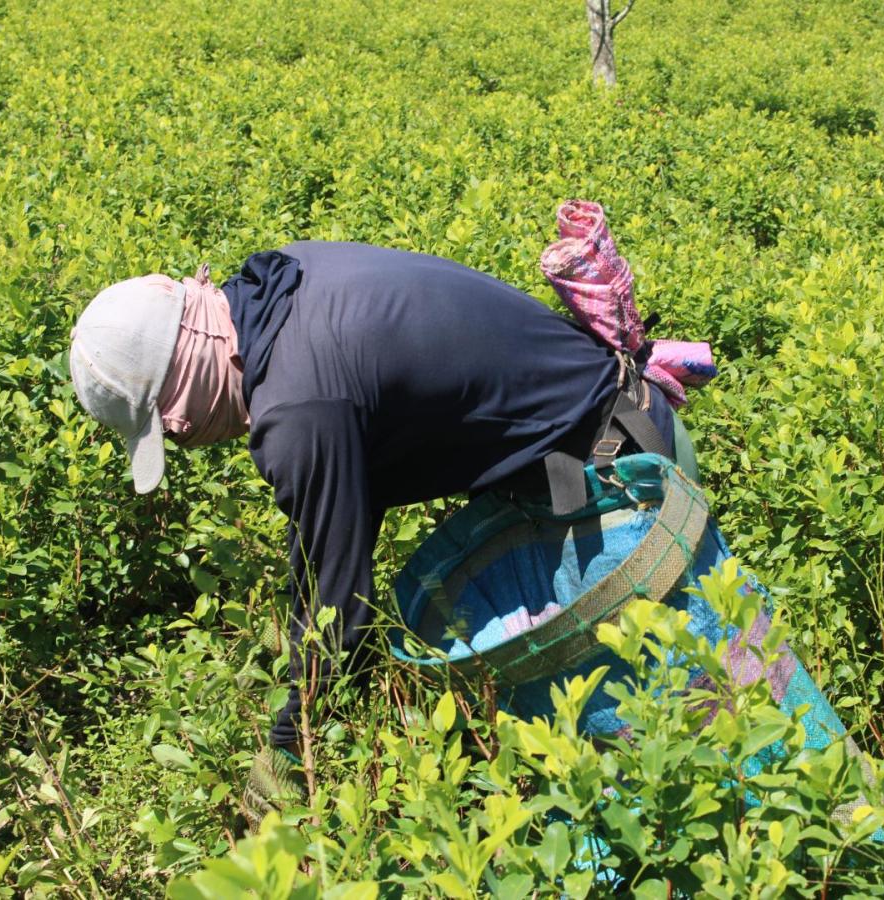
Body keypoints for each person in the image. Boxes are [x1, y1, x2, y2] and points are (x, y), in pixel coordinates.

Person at [68, 241, 680, 823]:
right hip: (608, 424)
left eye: (167, 428)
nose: (184, 437)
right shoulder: (279, 284)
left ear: (180, 390)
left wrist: (289, 749)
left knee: (630, 746)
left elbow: (342, 612)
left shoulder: (297, 413)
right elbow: (328, 525)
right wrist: (300, 624)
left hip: (615, 482)